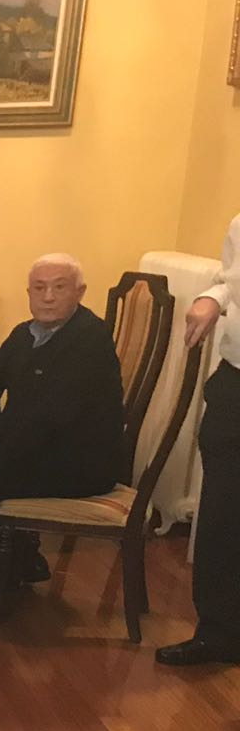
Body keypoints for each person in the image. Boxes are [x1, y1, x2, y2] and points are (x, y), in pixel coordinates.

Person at [0, 254, 123, 618]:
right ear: (29, 293)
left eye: (59, 287)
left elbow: (53, 416)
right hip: (44, 452)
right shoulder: (28, 334)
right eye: (39, 288)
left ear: (80, 292)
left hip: (80, 463)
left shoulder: (89, 340)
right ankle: (21, 563)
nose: (48, 297)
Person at [158, 215, 240, 666]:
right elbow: (231, 277)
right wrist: (213, 297)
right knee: (221, 515)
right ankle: (219, 633)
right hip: (235, 380)